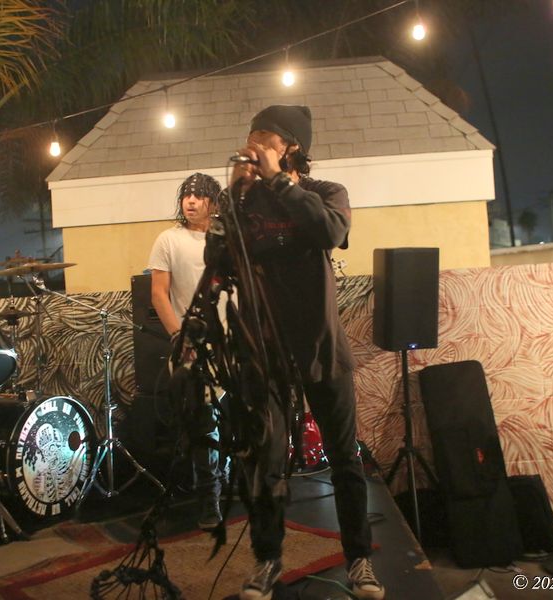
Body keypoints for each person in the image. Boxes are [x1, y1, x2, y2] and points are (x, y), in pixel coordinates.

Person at [227, 105, 385, 600]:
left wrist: (278, 181)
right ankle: (267, 562)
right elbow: (222, 258)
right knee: (267, 462)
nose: (253, 144)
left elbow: (330, 232)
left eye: (264, 137)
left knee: (345, 459)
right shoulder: (247, 201)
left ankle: (359, 560)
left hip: (321, 345)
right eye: (251, 136)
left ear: (291, 147)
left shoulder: (325, 192)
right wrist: (233, 198)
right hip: (267, 352)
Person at [148, 172, 225, 530]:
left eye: (199, 195)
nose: (191, 201)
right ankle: (209, 498)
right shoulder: (168, 239)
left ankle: (238, 483)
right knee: (203, 426)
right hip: (193, 347)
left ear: (214, 201)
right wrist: (180, 339)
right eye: (186, 195)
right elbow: (158, 294)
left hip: (232, 345)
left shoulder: (228, 238)